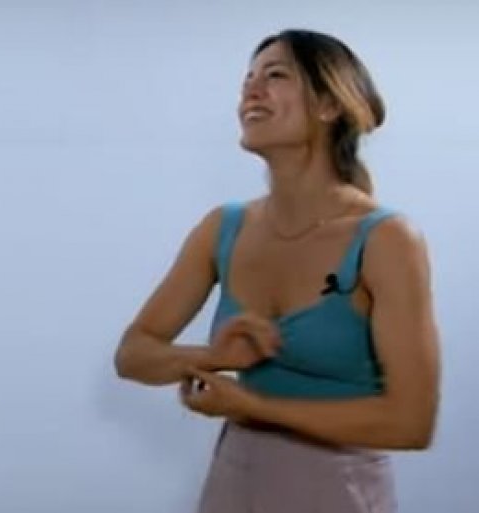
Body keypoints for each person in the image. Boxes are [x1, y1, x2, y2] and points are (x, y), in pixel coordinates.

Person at [114, 29, 440, 512]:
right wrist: (212, 356)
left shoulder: (386, 240)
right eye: (247, 79)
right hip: (233, 480)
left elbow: (411, 423)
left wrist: (252, 406)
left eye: (275, 75)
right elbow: (133, 354)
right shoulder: (222, 227)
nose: (251, 89)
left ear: (328, 104)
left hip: (337, 491)